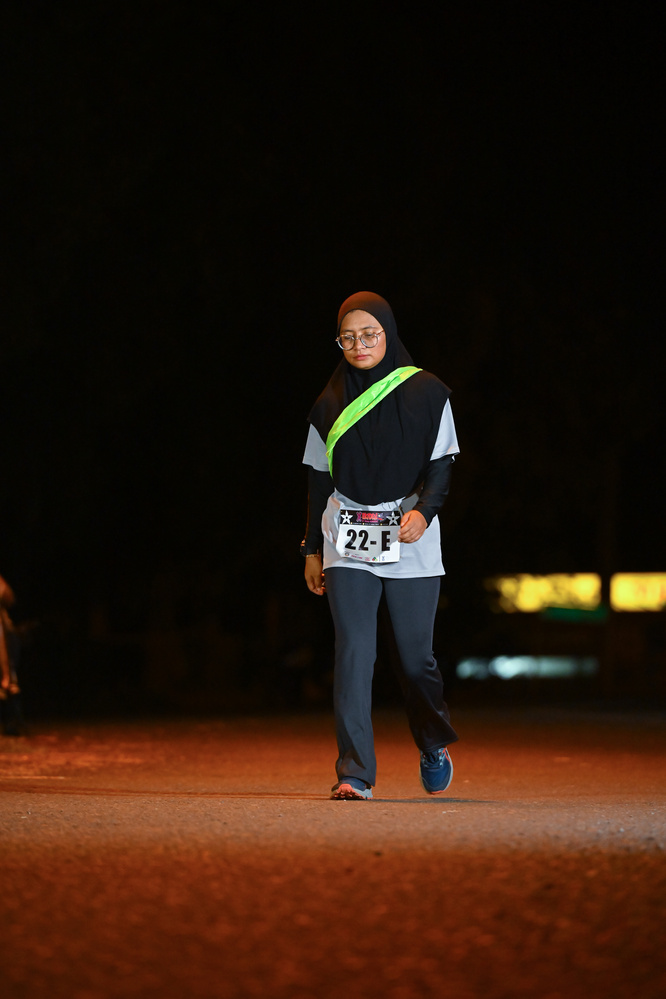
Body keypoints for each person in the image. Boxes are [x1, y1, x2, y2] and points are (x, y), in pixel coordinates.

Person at [301, 291, 460, 800]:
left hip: (409, 531)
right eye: (348, 338)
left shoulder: (429, 392)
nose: (359, 345)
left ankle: (432, 742)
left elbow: (442, 465)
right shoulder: (327, 404)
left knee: (415, 660)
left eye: (369, 334)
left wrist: (423, 513)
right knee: (354, 651)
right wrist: (311, 549)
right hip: (347, 534)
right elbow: (318, 481)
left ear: (388, 333)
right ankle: (354, 773)